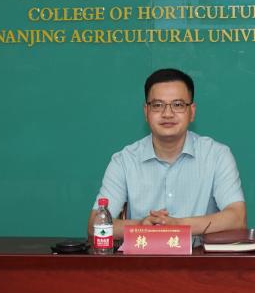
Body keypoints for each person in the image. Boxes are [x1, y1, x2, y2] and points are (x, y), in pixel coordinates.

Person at [88, 68, 246, 238]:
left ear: (192, 112)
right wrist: (140, 226)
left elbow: (237, 218)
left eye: (177, 105)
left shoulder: (217, 155)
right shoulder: (124, 160)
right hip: (142, 254)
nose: (167, 114)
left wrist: (178, 226)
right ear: (146, 112)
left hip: (199, 254)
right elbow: (95, 224)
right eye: (158, 105)